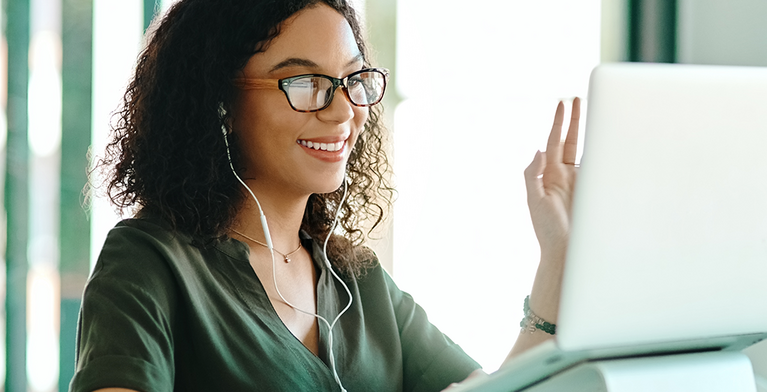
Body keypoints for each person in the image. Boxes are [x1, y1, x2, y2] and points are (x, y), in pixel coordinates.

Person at [70, 0, 581, 391]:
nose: (342, 113)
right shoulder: (149, 262)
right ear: (218, 98)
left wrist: (558, 255)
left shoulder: (360, 283)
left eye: (352, 79)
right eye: (306, 82)